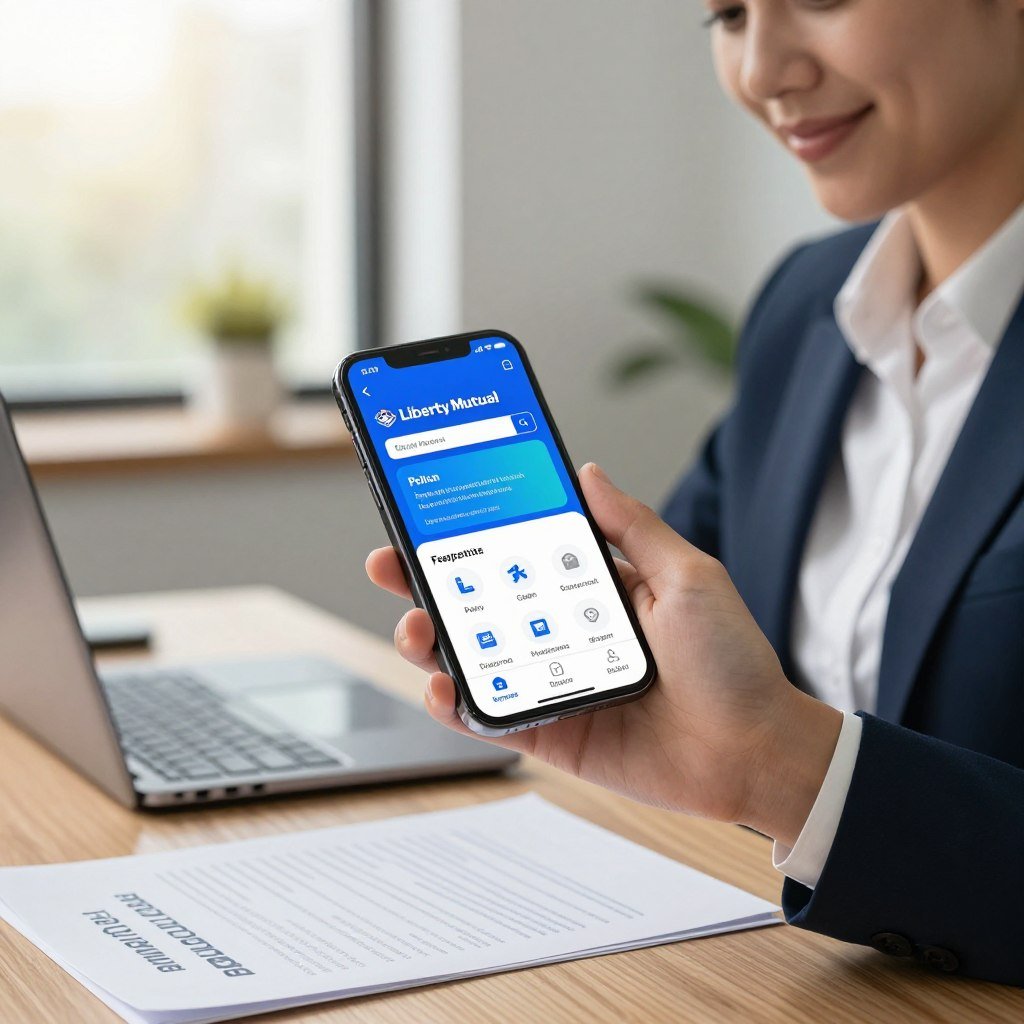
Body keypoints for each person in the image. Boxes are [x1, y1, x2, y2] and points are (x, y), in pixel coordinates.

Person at [367, 0, 1024, 986]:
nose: (761, 71)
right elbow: (672, 624)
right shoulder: (804, 306)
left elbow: (771, 746)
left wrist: (781, 767)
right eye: (724, 13)